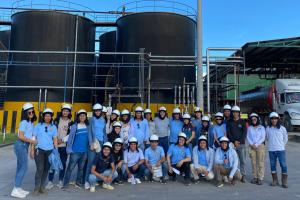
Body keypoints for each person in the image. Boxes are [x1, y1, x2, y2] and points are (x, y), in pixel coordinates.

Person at [11, 103, 37, 198]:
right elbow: (21, 136)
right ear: (25, 113)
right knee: (24, 167)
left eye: (32, 111)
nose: (31, 113)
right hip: (20, 145)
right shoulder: (23, 122)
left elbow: (31, 136)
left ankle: (17, 187)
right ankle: (15, 189)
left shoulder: (31, 123)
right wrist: (32, 141)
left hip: (24, 146)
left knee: (20, 167)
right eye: (29, 112)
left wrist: (31, 149)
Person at [31, 108, 58, 195]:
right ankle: (36, 188)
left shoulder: (53, 127)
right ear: (43, 116)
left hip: (49, 151)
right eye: (46, 116)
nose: (47, 117)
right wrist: (32, 150)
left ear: (51, 117)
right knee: (40, 169)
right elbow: (33, 138)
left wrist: (56, 151)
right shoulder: (38, 126)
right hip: (39, 150)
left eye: (49, 116)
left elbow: (55, 139)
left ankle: (42, 187)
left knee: (46, 169)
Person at [63, 109, 92, 188]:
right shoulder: (75, 126)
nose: (82, 117)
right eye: (81, 115)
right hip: (75, 151)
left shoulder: (88, 126)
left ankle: (78, 182)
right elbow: (70, 138)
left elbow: (90, 137)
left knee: (81, 169)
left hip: (84, 152)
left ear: (86, 117)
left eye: (84, 115)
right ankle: (65, 184)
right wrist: (69, 149)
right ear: (78, 117)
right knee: (70, 168)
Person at [46, 103, 73, 190]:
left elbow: (71, 135)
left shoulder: (71, 122)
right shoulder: (56, 120)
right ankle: (50, 181)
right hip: (54, 146)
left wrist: (61, 140)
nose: (65, 112)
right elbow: (51, 130)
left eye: (67, 111)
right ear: (62, 111)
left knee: (63, 164)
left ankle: (60, 180)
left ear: (69, 112)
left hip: (64, 146)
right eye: (64, 111)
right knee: (52, 163)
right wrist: (55, 140)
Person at [84, 103, 106, 190]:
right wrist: (91, 143)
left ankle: (92, 179)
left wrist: (105, 143)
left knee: (97, 163)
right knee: (90, 162)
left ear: (101, 111)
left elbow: (104, 133)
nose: (97, 112)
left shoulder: (103, 120)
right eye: (96, 111)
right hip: (94, 142)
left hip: (101, 143)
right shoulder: (91, 120)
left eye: (99, 110)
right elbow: (89, 132)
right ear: (94, 111)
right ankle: (86, 181)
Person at [266, 112, 288, 188]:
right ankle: (275, 180)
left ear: (278, 119)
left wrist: (281, 145)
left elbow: (285, 139)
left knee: (283, 165)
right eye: (272, 119)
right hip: (271, 150)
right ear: (270, 120)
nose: (274, 120)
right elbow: (267, 138)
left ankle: (284, 181)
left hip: (281, 150)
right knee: (272, 165)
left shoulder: (282, 128)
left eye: (275, 119)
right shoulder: (268, 128)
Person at [226, 106, 247, 182]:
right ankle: (234, 175)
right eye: (234, 112)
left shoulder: (242, 122)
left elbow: (244, 133)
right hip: (232, 144)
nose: (235, 113)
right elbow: (229, 133)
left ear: (239, 113)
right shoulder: (229, 122)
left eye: (237, 112)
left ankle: (243, 175)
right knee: (232, 160)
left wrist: (239, 142)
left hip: (241, 144)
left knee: (242, 160)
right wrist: (234, 141)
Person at [247, 113, 266, 185]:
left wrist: (257, 144)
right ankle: (255, 177)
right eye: (252, 119)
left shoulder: (262, 127)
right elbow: (248, 137)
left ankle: (260, 178)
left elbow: (263, 137)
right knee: (253, 162)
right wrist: (252, 144)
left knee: (260, 162)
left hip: (260, 146)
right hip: (252, 146)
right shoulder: (249, 128)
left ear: (257, 119)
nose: (253, 120)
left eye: (255, 119)